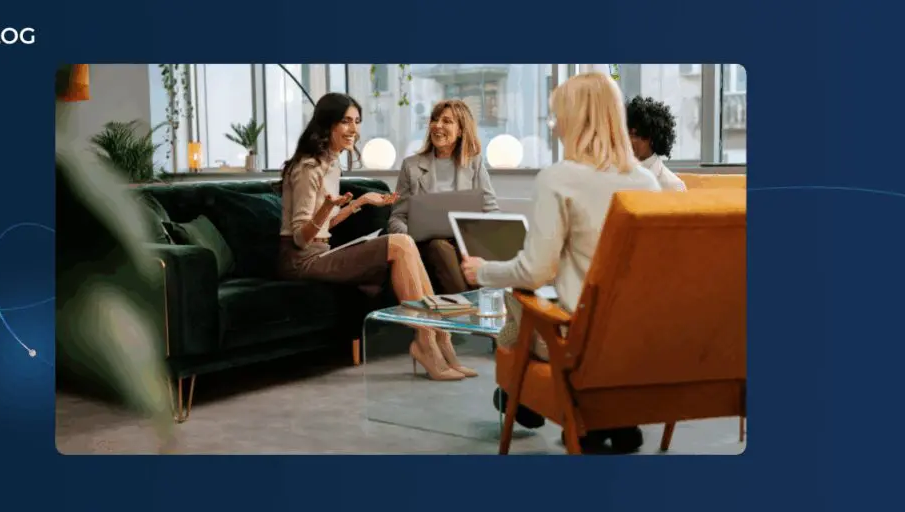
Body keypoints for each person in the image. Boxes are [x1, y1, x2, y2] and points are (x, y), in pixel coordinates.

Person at [460, 73, 661, 453]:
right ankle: (608, 416)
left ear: (574, 119)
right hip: (633, 340)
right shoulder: (647, 184)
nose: (555, 128)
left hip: (575, 339)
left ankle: (520, 395)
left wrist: (483, 270)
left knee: (518, 298)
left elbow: (536, 270)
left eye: (556, 118)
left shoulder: (559, 178)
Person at [276, 92, 476, 381]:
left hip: (318, 251)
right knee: (400, 242)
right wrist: (326, 209)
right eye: (346, 121)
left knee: (404, 243)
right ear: (327, 124)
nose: (354, 130)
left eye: (357, 121)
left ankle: (439, 339)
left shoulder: (332, 164)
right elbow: (299, 238)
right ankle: (428, 343)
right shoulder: (309, 168)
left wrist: (360, 203)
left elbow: (323, 226)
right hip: (299, 260)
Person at [389, 100, 500, 294]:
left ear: (460, 130)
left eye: (447, 121)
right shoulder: (411, 166)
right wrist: (410, 239)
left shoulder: (474, 164)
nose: (437, 125)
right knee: (439, 246)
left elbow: (490, 209)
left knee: (469, 254)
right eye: (435, 119)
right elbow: (397, 216)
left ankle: (470, 309)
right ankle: (469, 307)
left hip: (465, 244)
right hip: (426, 245)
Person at [625, 96, 687, 191]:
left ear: (653, 139)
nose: (629, 140)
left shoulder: (673, 185)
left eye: (636, 135)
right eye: (627, 133)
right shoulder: (615, 174)